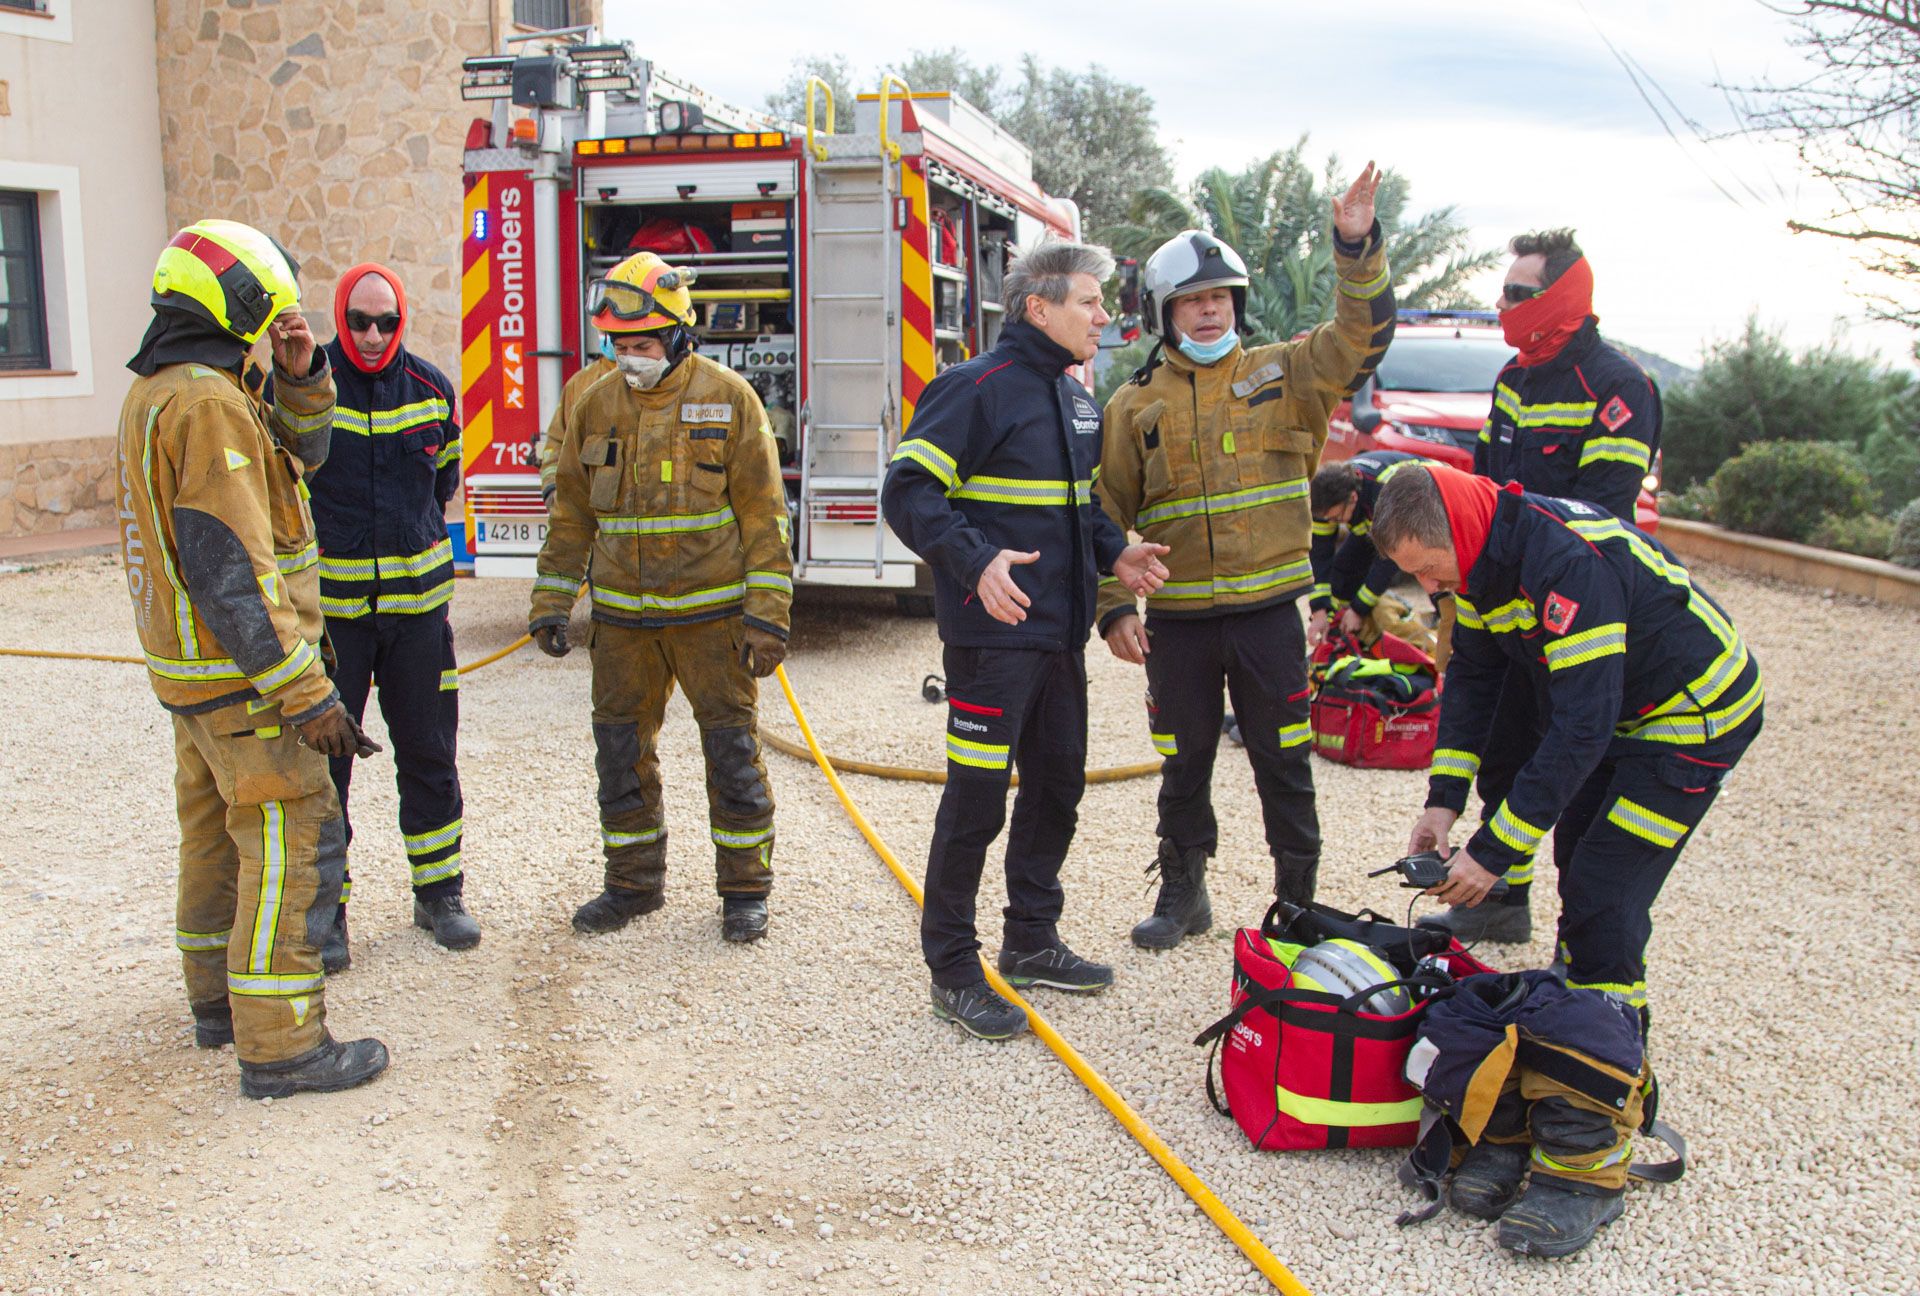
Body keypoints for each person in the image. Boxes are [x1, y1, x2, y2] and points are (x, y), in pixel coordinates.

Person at [1373, 461, 1761, 1252]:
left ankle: (1598, 1142)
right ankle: (1582, 1056)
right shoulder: (1479, 562)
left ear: (1456, 533)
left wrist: (1494, 854)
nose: (1423, 588)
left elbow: (1580, 728)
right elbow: (1477, 679)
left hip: (1694, 718)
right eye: (1411, 576)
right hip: (1624, 720)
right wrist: (1444, 799)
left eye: (1424, 568)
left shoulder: (1564, 561)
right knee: (1583, 874)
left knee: (1603, 889)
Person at [117, 219, 388, 1097]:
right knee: (289, 842)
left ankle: (216, 1007)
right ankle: (282, 1044)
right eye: (266, 311)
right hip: (247, 684)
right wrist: (307, 694)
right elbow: (232, 565)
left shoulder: (165, 389)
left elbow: (299, 458)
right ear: (235, 301)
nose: (273, 324)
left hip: (192, 679)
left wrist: (304, 375)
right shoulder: (208, 405)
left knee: (215, 843)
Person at [1094, 166, 1396, 951]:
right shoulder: (1133, 405)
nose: (1208, 311)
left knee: (1284, 762)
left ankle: (1297, 905)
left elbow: (1361, 334)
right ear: (1165, 312)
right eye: (1194, 301)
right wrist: (1114, 605)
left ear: (1238, 305)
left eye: (1220, 298)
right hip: (1182, 625)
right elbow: (1103, 512)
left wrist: (1356, 245)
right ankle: (1184, 893)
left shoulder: (1287, 373)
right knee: (1182, 763)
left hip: (1267, 618)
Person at [882, 239, 1171, 1039]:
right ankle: (952, 968)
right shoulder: (974, 389)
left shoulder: (1076, 400)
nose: (1104, 316)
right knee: (975, 803)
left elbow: (1080, 508)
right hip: (992, 642)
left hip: (1057, 642)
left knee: (1056, 790)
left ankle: (1032, 941)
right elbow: (907, 491)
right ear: (1039, 308)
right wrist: (974, 565)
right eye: (1090, 301)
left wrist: (1117, 551)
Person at [529, 251, 792, 943]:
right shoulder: (595, 403)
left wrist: (768, 615)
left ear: (678, 335)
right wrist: (550, 601)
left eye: (642, 344)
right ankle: (632, 887)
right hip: (623, 624)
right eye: (618, 345)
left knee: (730, 751)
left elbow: (764, 513)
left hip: (711, 620)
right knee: (619, 751)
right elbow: (572, 517)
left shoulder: (730, 398)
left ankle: (744, 892)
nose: (629, 357)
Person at [1428, 228, 1667, 945]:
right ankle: (1502, 899)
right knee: (1502, 752)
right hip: (1500, 597)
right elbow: (1479, 488)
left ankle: (1586, 940)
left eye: (1517, 293)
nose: (1502, 305)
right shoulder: (1513, 378)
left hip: (1573, 602)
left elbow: (1606, 513)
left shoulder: (1620, 386)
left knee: (1576, 767)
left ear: (1561, 296)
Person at [303, 263, 477, 969]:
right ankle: (330, 914)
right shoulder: (310, 391)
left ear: (401, 321)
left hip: (417, 621)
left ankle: (440, 896)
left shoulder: (433, 389)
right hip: (337, 625)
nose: (373, 335)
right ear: (340, 319)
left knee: (430, 756)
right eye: (359, 321)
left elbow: (444, 481)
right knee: (325, 772)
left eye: (386, 322)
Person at [1306, 449, 1424, 649]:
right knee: (1342, 571)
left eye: (1337, 518)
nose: (1335, 523)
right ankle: (1340, 633)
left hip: (1425, 510)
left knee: (1437, 586)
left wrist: (1358, 609)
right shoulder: (1325, 502)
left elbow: (1387, 562)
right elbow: (1320, 557)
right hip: (1372, 523)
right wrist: (1319, 611)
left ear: (1352, 498)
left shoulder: (1382, 493)